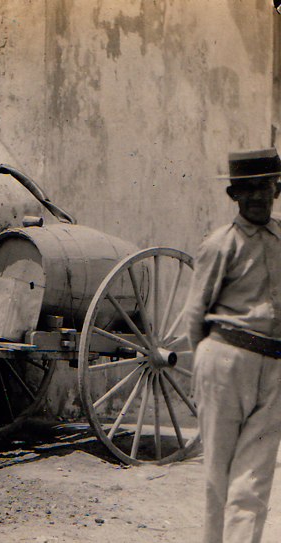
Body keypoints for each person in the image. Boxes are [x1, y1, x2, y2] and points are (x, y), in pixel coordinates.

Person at [183, 148, 281, 543]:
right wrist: (203, 369)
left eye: (267, 187)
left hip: (273, 368)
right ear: (235, 195)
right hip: (224, 360)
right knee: (217, 477)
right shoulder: (220, 244)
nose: (258, 196)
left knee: (254, 482)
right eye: (249, 189)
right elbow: (195, 314)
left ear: (277, 189)